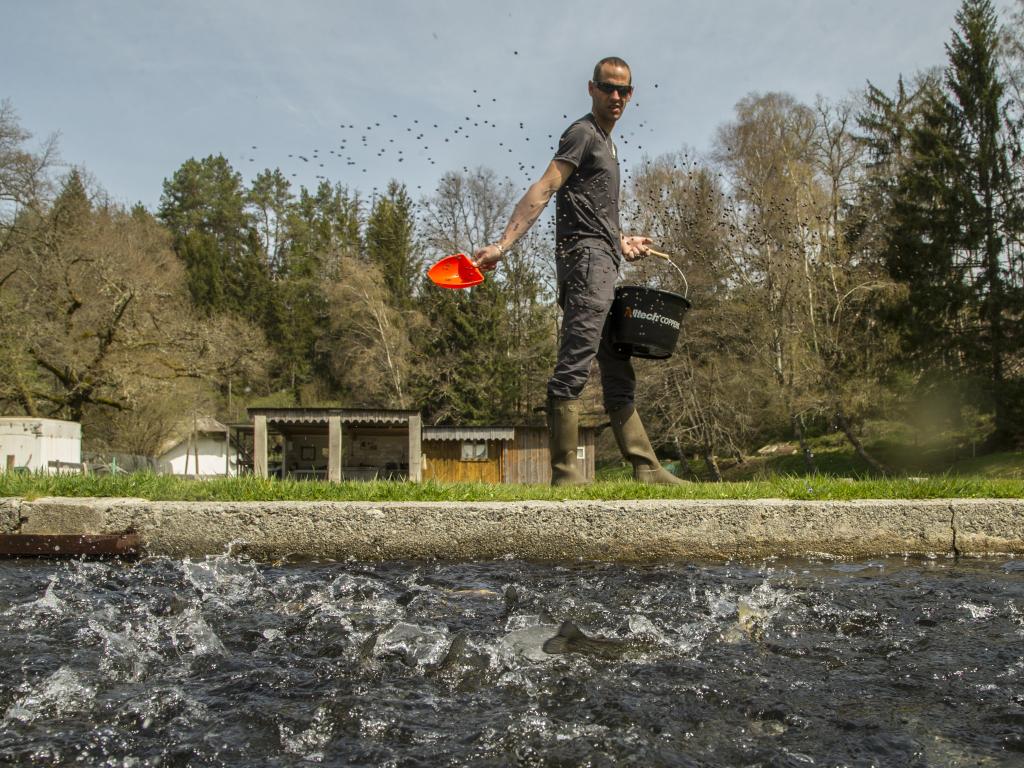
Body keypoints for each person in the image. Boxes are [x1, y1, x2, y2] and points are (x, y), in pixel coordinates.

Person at [473, 56, 684, 486]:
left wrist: (624, 242)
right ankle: (566, 474)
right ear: (592, 89)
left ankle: (647, 468)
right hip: (586, 264)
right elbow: (546, 186)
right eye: (608, 88)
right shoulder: (583, 134)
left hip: (603, 261)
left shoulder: (608, 143)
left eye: (624, 90)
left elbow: (592, 213)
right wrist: (503, 245)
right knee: (575, 364)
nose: (617, 96)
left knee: (618, 364)